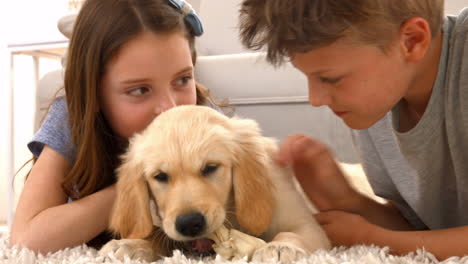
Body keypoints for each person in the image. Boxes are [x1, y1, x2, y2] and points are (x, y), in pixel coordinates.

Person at [238, 0, 468, 260]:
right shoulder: (379, 100)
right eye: (308, 76)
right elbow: (424, 231)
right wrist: (348, 201)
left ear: (412, 41)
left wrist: (372, 239)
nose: (315, 99)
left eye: (330, 79)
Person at [9, 0, 214, 254]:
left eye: (182, 79)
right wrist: (133, 187)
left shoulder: (204, 123)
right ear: (93, 94)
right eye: (140, 90)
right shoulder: (72, 121)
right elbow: (25, 240)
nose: (170, 107)